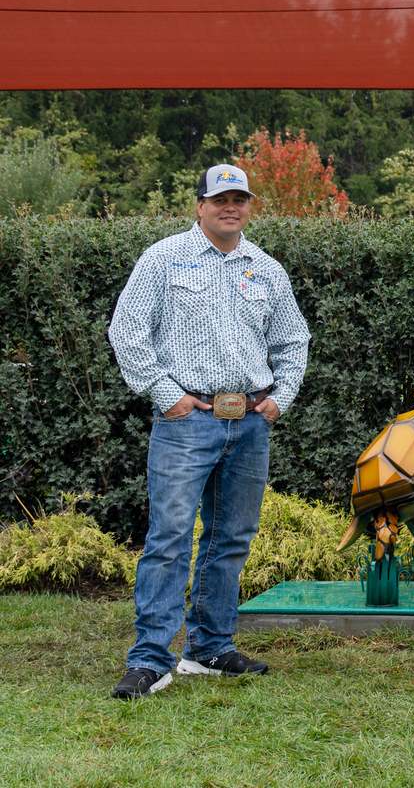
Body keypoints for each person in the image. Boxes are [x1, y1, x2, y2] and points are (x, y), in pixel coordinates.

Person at [106, 164, 310, 699]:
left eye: (239, 198)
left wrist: (278, 402)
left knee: (231, 540)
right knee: (169, 540)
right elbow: (126, 330)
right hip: (185, 422)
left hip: (248, 425)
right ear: (199, 206)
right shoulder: (163, 259)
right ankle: (150, 660)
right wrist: (165, 394)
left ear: (249, 206)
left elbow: (293, 341)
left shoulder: (266, 269)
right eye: (220, 198)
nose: (230, 207)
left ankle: (210, 649)